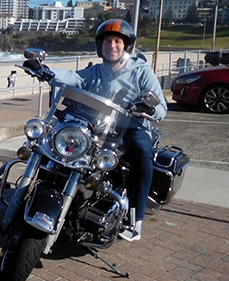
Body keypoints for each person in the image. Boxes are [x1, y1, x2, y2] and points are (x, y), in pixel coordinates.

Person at [24, 19, 167, 242]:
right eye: (107, 41)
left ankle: (136, 218)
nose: (112, 46)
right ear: (100, 46)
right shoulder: (97, 71)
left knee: (141, 150)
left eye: (118, 41)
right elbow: (75, 78)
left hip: (131, 127)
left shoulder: (141, 71)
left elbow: (162, 107)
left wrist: (148, 107)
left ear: (126, 45)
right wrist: (47, 71)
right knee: (56, 137)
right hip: (100, 125)